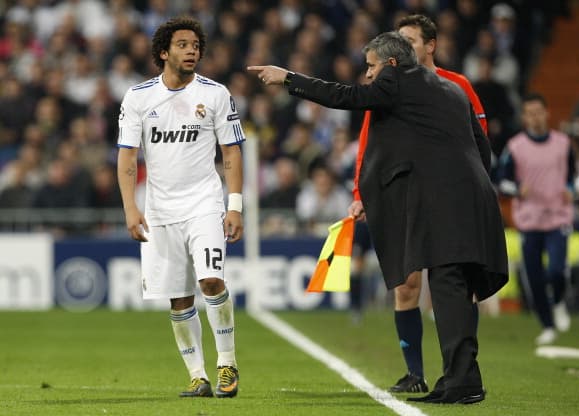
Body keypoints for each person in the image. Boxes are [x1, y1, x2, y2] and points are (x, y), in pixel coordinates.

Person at [248, 30, 508, 404]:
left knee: (448, 284)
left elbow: (346, 97)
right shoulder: (450, 90)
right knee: (456, 288)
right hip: (471, 197)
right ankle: (462, 378)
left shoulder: (397, 80)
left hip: (447, 200)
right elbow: (481, 146)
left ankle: (463, 383)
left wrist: (288, 78)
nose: (367, 75)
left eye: (370, 66)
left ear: (389, 64)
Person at [350, 14, 490, 394]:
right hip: (406, 195)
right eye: (401, 40)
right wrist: (360, 192)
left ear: (431, 45)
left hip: (446, 196)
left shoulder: (457, 85)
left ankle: (460, 371)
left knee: (454, 284)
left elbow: (477, 139)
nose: (405, 46)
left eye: (412, 40)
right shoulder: (387, 85)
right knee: (407, 283)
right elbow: (370, 139)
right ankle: (416, 373)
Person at [117, 17, 244, 399]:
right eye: (184, 44)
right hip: (159, 210)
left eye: (196, 45)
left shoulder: (216, 94)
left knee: (210, 281)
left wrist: (233, 205)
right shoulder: (138, 97)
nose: (192, 51)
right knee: (178, 296)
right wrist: (130, 209)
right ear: (163, 52)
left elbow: (232, 151)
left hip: (204, 202)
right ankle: (197, 375)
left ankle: (226, 364)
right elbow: (127, 157)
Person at [497, 93, 574, 345]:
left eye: (538, 112)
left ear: (547, 112)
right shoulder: (515, 146)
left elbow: (572, 176)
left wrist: (570, 190)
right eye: (529, 113)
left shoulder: (563, 143)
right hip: (529, 220)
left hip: (557, 217)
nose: (535, 117)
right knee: (535, 276)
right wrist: (518, 189)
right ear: (524, 117)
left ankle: (560, 300)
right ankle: (548, 325)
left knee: (556, 269)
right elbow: (502, 182)